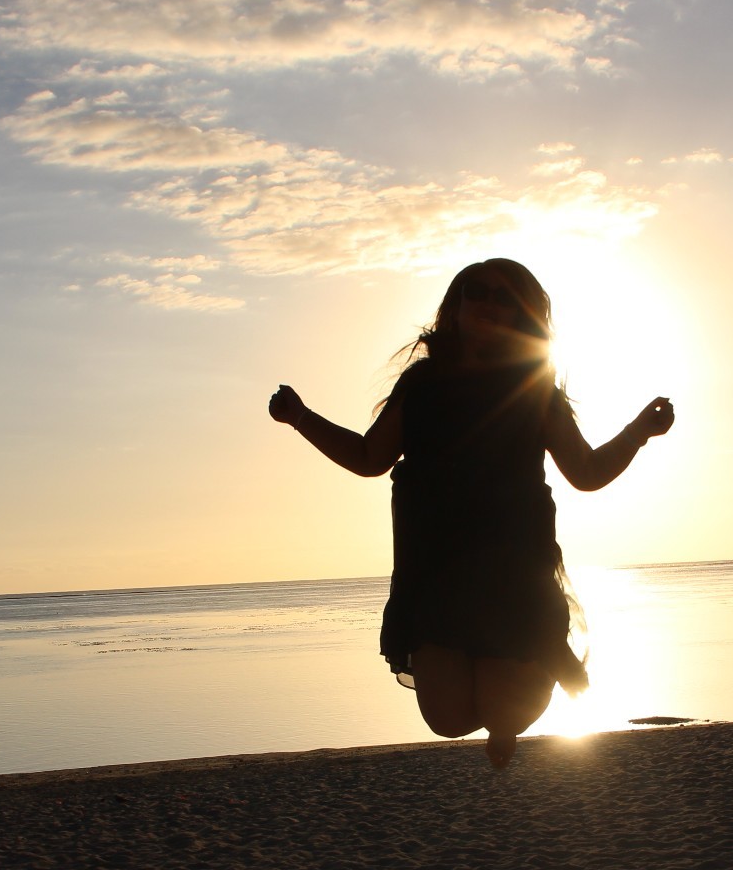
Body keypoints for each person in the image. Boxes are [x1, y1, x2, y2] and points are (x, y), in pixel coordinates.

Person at [269, 257, 675, 767]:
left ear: (522, 315)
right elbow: (371, 457)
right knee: (448, 718)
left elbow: (585, 472)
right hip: (436, 571)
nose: (487, 303)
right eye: (476, 292)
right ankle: (538, 662)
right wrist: (300, 418)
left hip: (514, 573)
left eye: (504, 297)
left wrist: (639, 431)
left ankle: (527, 685)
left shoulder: (535, 389)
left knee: (503, 707)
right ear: (455, 307)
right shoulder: (421, 385)